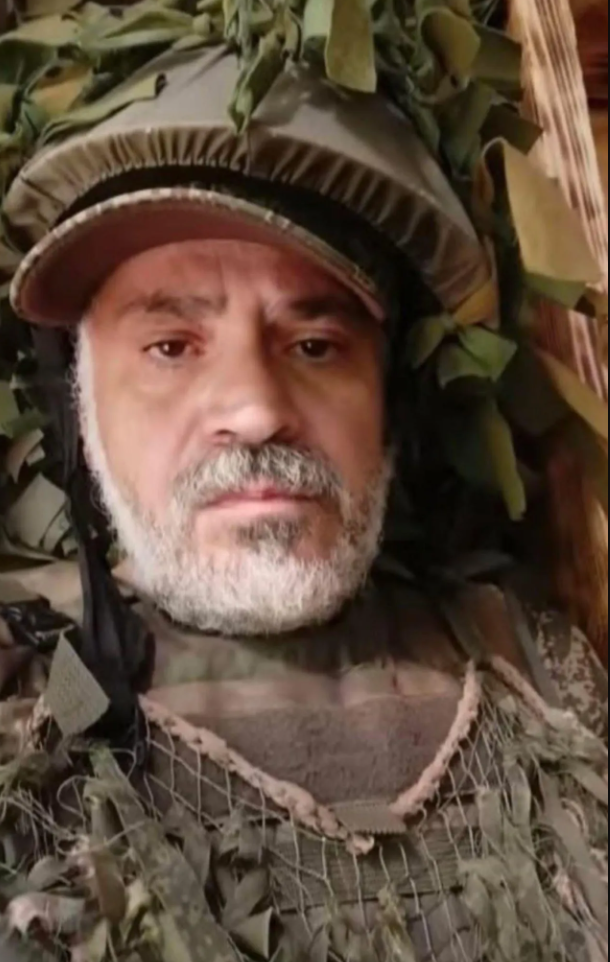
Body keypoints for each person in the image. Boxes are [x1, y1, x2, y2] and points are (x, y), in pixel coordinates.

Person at [0, 19, 607, 962]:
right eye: (172, 346)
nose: (254, 410)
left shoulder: (543, 679)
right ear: (80, 404)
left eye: (315, 345)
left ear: (389, 401)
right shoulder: (19, 710)